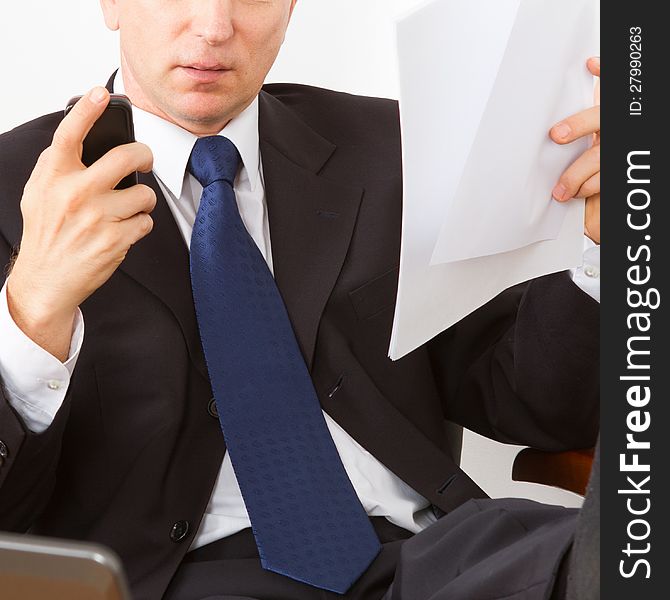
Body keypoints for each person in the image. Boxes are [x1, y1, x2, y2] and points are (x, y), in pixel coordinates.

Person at [0, 1, 600, 599]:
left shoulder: (394, 146)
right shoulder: (15, 192)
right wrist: (34, 308)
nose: (214, 27)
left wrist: (605, 248)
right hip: (177, 577)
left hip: (434, 561)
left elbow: (540, 403)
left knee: (629, 551)